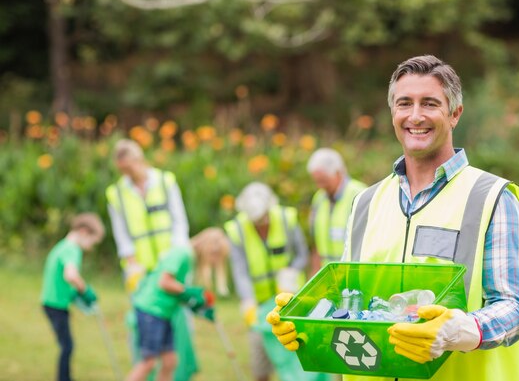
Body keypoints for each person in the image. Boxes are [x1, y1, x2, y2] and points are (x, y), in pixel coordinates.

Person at [267, 55, 519, 381]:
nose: (415, 116)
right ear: (393, 112)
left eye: (430, 104)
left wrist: (457, 330)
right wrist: (306, 316)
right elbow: (349, 298)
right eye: (404, 103)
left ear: (455, 114)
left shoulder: (492, 198)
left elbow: (515, 310)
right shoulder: (365, 202)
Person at [105, 138, 198, 381]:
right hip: (141, 269)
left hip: (170, 265)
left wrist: (176, 256)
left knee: (179, 322)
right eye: (123, 170)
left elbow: (179, 221)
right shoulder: (117, 193)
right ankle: (144, 370)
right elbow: (121, 233)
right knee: (144, 321)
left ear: (139, 159)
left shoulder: (165, 182)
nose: (128, 174)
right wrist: (131, 264)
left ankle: (181, 373)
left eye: (130, 167)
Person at [225, 182, 310, 381]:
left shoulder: (286, 219)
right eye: (257, 221)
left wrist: (291, 272)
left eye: (263, 220)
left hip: (290, 299)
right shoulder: (237, 229)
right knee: (259, 358)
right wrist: (248, 301)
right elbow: (240, 271)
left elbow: (302, 255)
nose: (261, 224)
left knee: (295, 352)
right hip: (260, 304)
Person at [125, 230, 216, 381]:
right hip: (151, 310)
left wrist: (196, 306)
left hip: (164, 312)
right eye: (214, 256)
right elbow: (164, 282)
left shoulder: (189, 260)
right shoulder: (181, 254)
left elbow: (176, 291)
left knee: (170, 361)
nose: (213, 261)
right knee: (148, 363)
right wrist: (189, 292)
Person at [41, 213, 106, 381]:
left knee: (66, 345)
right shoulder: (72, 249)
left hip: (53, 302)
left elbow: (61, 279)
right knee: (67, 346)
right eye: (93, 241)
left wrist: (74, 294)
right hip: (55, 305)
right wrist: (85, 291)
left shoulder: (63, 245)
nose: (91, 247)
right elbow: (71, 275)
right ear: (84, 232)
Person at [307, 148, 367, 272]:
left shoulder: (360, 194)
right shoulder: (318, 199)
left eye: (324, 181)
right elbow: (316, 245)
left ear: (339, 173)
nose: (320, 186)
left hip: (353, 275)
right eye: (317, 182)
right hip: (328, 277)